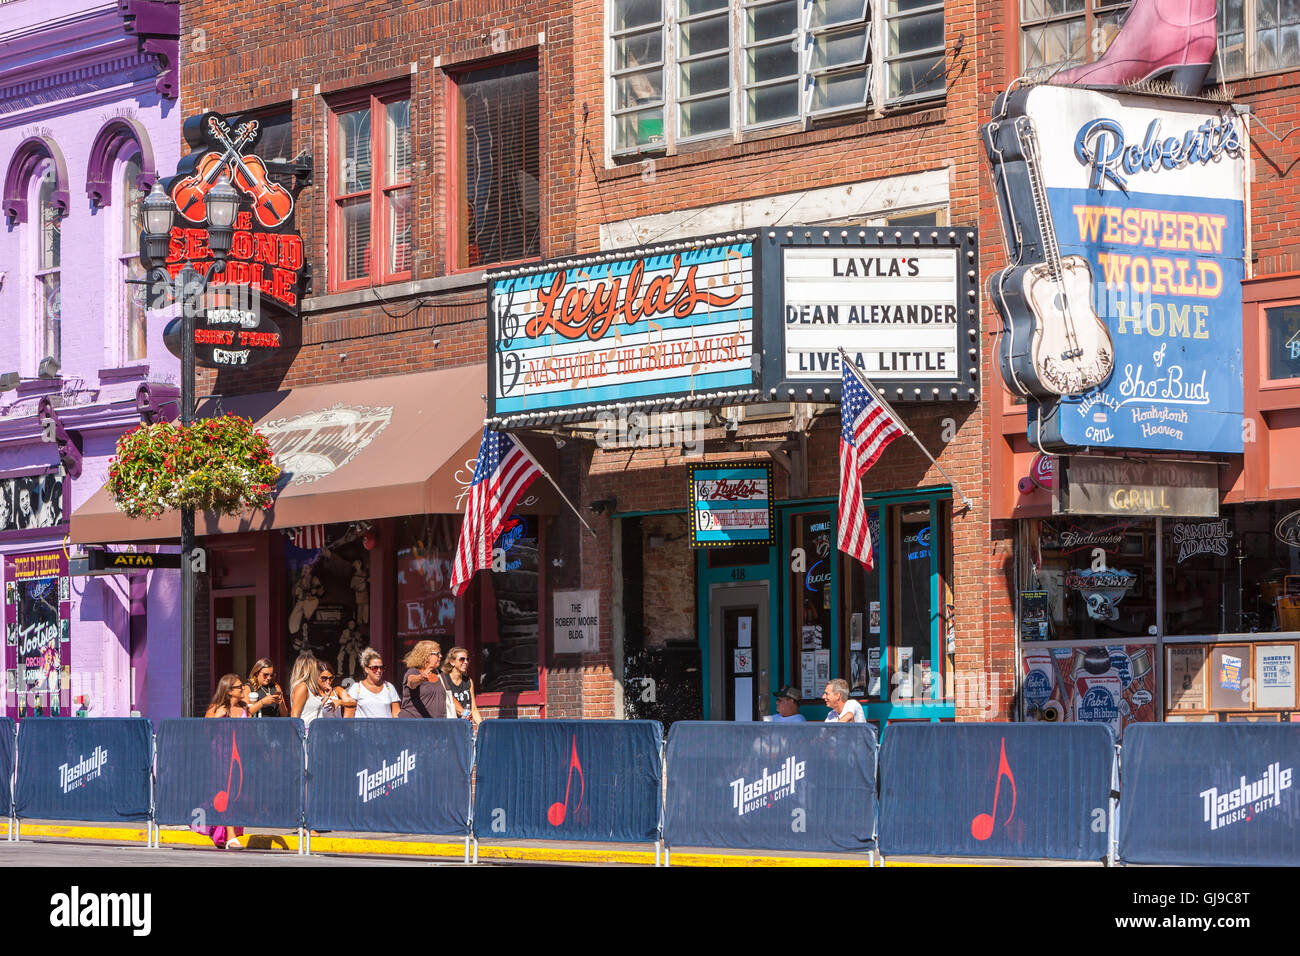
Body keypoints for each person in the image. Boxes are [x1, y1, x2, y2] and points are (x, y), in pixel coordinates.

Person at [195, 673, 248, 849]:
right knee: (224, 795)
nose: (243, 689)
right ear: (229, 690)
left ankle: (221, 834)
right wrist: (217, 717)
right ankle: (230, 835)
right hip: (220, 757)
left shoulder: (243, 708)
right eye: (239, 686)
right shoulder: (215, 708)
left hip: (239, 758)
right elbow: (204, 733)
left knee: (235, 795)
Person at [291, 656, 355, 728]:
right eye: (324, 678)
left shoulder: (337, 690)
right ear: (317, 676)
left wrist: (339, 702)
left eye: (331, 678)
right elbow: (295, 716)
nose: (328, 681)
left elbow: (353, 703)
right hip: (309, 731)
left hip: (326, 731)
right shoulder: (307, 689)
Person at [398, 640, 452, 719]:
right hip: (414, 723)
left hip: (436, 723)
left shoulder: (440, 674)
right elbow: (411, 682)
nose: (440, 656)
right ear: (426, 656)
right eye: (437, 654)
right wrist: (420, 677)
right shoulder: (413, 671)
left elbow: (449, 696)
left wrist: (463, 711)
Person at [350, 647, 400, 718]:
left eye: (381, 668)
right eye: (375, 668)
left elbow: (396, 714)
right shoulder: (356, 688)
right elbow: (348, 716)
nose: (379, 671)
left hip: (385, 725)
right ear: (366, 669)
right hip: (363, 725)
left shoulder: (389, 687)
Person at [441, 646, 482, 726]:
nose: (465, 662)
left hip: (465, 725)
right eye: (462, 659)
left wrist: (483, 727)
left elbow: (473, 709)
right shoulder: (444, 680)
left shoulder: (468, 681)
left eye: (467, 659)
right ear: (452, 662)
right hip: (449, 725)